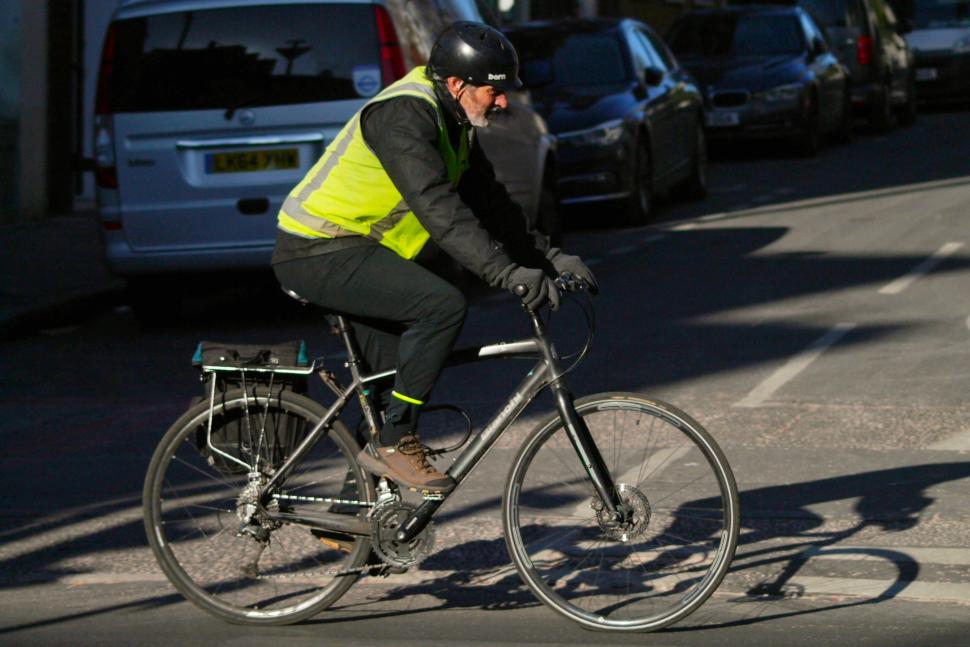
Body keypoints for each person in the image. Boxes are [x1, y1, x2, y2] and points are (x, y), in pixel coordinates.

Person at [271, 21, 597, 493]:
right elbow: (438, 207)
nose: (503, 102)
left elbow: (491, 204)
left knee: (386, 392)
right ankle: (398, 442)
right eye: (494, 91)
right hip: (317, 249)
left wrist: (548, 258)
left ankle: (351, 518)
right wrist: (506, 273)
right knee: (440, 306)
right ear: (457, 84)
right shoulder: (404, 117)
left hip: (361, 251)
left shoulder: (455, 119)